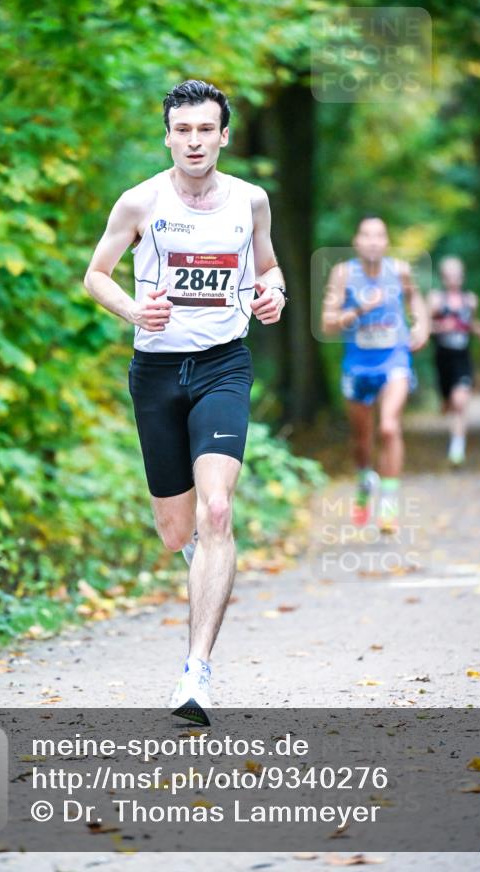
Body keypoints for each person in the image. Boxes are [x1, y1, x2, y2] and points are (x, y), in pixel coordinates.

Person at [83, 79, 287, 721]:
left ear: (224, 135)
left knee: (218, 510)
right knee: (177, 533)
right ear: (168, 135)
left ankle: (196, 673)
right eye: (184, 130)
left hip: (224, 366)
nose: (195, 141)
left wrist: (273, 293)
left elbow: (269, 267)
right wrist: (132, 308)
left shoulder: (251, 202)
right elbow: (95, 274)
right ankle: (205, 559)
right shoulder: (139, 202)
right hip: (157, 374)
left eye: (207, 130)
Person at [321, 217, 429, 532]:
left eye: (378, 236)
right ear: (356, 242)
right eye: (365, 235)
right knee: (361, 441)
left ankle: (389, 505)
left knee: (389, 428)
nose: (372, 241)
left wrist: (421, 325)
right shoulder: (343, 274)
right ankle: (365, 480)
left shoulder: (400, 271)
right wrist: (359, 311)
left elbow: (415, 300)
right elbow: (328, 322)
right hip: (357, 367)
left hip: (394, 360)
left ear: (386, 242)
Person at [426, 256, 480, 466]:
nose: (454, 279)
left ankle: (457, 448)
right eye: (449, 275)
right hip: (443, 358)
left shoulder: (470, 300)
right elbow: (424, 327)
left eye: (458, 275)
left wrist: (478, 329)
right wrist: (440, 327)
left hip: (462, 357)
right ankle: (445, 403)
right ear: (443, 278)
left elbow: (470, 322)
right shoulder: (436, 300)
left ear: (463, 277)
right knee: (448, 404)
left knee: (460, 401)